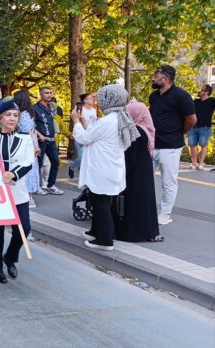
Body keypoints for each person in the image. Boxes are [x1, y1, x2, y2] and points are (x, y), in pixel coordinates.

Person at [72, 84, 139, 251]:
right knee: (100, 201)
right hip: (111, 167)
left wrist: (76, 122)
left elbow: (84, 138)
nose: (99, 102)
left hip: (101, 168)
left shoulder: (107, 120)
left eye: (101, 98)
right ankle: (96, 232)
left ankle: (104, 240)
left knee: (100, 202)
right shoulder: (120, 117)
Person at [0, 100, 34, 284]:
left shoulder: (25, 139)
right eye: (8, 114)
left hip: (17, 191)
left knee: (24, 229)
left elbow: (28, 162)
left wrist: (13, 174)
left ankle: (10, 257)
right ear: (0, 117)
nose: (12, 118)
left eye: (15, 115)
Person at [149, 65, 197, 225]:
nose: (153, 78)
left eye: (156, 75)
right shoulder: (153, 97)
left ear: (165, 79)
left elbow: (192, 120)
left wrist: (179, 132)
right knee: (145, 179)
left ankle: (165, 213)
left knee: (168, 182)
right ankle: (145, 210)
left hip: (171, 146)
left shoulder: (181, 95)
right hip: (152, 144)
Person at [115, 102, 163, 242]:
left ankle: (132, 234)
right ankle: (149, 232)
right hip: (144, 174)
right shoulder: (145, 129)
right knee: (145, 203)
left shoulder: (135, 131)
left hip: (134, 175)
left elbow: (130, 156)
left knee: (133, 203)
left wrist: (122, 173)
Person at [13, 90, 43, 207]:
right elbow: (33, 131)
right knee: (31, 168)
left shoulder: (22, 114)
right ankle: (29, 196)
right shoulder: (30, 113)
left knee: (25, 168)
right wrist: (36, 145)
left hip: (24, 143)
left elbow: (27, 131)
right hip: (30, 143)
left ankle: (28, 197)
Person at [33, 87, 63, 195]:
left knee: (55, 161)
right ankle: (36, 186)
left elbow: (52, 122)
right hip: (41, 140)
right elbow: (31, 125)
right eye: (47, 93)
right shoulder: (35, 108)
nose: (49, 95)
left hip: (50, 140)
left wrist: (55, 132)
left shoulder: (51, 107)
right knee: (39, 164)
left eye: (50, 93)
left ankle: (51, 185)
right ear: (41, 94)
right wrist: (40, 135)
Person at [68, 93, 98, 179]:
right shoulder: (79, 109)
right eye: (90, 98)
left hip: (91, 135)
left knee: (89, 158)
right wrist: (74, 133)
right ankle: (72, 167)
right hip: (80, 135)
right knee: (82, 157)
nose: (93, 99)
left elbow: (94, 123)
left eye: (93, 98)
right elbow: (76, 120)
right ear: (85, 100)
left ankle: (86, 179)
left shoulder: (94, 110)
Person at [190, 85, 214, 170]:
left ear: (207, 92)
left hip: (205, 127)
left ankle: (201, 164)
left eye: (202, 90)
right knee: (192, 145)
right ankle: (194, 163)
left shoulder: (212, 101)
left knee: (203, 145)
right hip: (193, 126)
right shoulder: (196, 101)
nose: (200, 91)